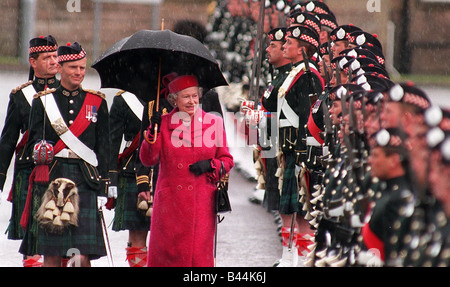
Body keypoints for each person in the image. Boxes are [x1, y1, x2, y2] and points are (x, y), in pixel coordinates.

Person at [19, 42, 109, 267]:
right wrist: (40, 151)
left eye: (82, 68)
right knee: (52, 253)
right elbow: (31, 147)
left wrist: (108, 184)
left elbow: (104, 148)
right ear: (59, 68)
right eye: (73, 68)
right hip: (52, 180)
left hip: (85, 179)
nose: (79, 72)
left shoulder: (97, 102)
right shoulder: (43, 101)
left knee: (81, 256)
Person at [139, 75, 234, 267]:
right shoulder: (163, 124)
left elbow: (227, 160)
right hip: (170, 205)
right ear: (174, 100)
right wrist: (152, 131)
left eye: (195, 96)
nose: (192, 101)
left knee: (197, 259)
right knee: (168, 258)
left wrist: (210, 165)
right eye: (186, 97)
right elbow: (148, 159)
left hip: (201, 204)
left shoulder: (213, 123)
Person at [0, 35, 59, 267]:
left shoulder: (69, 93)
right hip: (29, 170)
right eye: (47, 57)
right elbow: (8, 140)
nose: (54, 61)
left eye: (55, 56)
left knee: (59, 236)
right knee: (32, 238)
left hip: (59, 168)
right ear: (32, 62)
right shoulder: (19, 95)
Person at [273, 24, 324, 267]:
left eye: (289, 44)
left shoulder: (308, 75)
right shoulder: (295, 72)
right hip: (289, 147)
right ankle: (288, 256)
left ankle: (303, 259)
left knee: (303, 209)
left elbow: (307, 117)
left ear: (302, 49)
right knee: (289, 206)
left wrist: (304, 153)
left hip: (300, 150)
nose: (284, 46)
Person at [107, 90, 150, 267]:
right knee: (137, 232)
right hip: (133, 169)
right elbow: (111, 141)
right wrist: (110, 178)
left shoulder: (173, 95)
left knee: (170, 235)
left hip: (168, 169)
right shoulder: (124, 99)